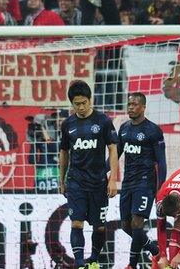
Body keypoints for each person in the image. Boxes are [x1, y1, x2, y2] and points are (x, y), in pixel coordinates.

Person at [58, 80, 119, 269]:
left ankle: (93, 259)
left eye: (84, 102)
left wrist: (113, 179)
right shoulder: (68, 124)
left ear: (90, 100)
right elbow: (64, 152)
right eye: (77, 104)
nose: (82, 107)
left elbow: (113, 149)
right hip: (76, 181)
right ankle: (79, 263)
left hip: (99, 182)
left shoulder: (103, 121)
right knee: (76, 223)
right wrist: (61, 180)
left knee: (99, 226)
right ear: (72, 103)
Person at [117, 93, 167, 269]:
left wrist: (161, 187)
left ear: (143, 107)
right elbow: (116, 155)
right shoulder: (123, 129)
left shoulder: (153, 130)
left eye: (135, 104)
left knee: (137, 225)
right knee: (125, 226)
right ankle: (154, 249)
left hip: (145, 183)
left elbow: (161, 161)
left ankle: (132, 265)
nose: (130, 107)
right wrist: (102, 171)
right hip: (127, 182)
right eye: (129, 104)